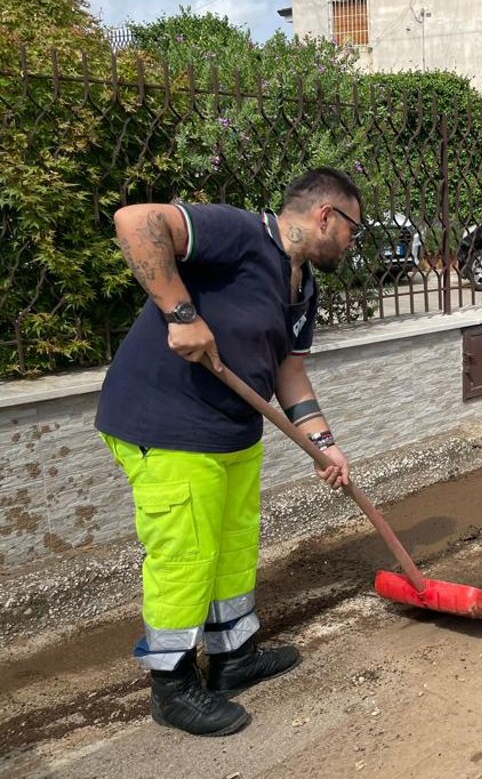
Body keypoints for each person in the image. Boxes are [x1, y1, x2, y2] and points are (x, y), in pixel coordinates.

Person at [95, 168, 363, 736]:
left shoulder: (302, 286)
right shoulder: (241, 233)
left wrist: (325, 447)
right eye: (353, 230)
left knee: (235, 546)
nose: (351, 243)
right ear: (326, 216)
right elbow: (136, 221)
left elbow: (290, 374)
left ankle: (233, 656)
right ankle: (171, 686)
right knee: (186, 557)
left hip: (235, 431)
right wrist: (182, 314)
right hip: (170, 425)